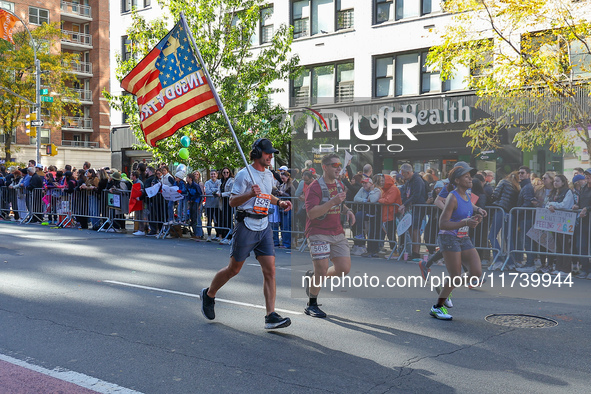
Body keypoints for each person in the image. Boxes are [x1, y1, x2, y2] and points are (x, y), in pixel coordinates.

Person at [201, 138, 293, 330]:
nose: (270, 156)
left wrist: (280, 203)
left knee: (270, 271)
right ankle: (209, 294)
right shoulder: (244, 175)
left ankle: (270, 316)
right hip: (246, 225)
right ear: (258, 153)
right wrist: (250, 194)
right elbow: (233, 202)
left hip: (264, 226)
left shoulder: (268, 175)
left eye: (271, 153)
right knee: (233, 270)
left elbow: (267, 195)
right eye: (267, 153)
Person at [303, 153, 356, 318]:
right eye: (334, 165)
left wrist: (348, 211)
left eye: (339, 165)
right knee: (322, 269)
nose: (338, 168)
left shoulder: (339, 183)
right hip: (318, 232)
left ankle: (312, 278)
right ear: (324, 167)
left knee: (343, 269)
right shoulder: (315, 187)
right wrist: (333, 202)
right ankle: (311, 304)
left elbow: (340, 202)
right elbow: (311, 213)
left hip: (337, 231)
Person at [430, 165, 483, 320]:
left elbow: (466, 213)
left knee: (476, 273)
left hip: (463, 237)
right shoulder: (452, 197)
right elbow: (443, 224)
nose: (470, 178)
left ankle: (446, 288)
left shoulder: (466, 195)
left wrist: (476, 216)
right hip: (449, 237)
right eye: (466, 176)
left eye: (470, 176)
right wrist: (465, 222)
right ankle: (437, 307)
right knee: (455, 275)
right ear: (457, 180)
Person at [487, 171, 520, 270]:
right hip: (510, 212)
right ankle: (510, 262)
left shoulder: (504, 182)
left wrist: (492, 202)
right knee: (508, 238)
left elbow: (495, 194)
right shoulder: (517, 187)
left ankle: (498, 259)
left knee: (492, 235)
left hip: (500, 210)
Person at [399, 163, 427, 259]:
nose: (402, 176)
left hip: (418, 207)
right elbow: (405, 192)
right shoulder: (409, 181)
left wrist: (405, 204)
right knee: (411, 228)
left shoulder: (417, 180)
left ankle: (416, 252)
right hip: (411, 208)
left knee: (415, 229)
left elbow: (416, 195)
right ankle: (413, 250)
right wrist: (404, 203)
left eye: (403, 174)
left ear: (408, 172)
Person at [218, 167, 235, 244]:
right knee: (224, 219)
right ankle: (225, 235)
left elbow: (231, 192)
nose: (225, 174)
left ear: (229, 173)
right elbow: (219, 189)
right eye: (224, 172)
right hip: (222, 201)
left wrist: (222, 194)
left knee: (229, 219)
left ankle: (230, 236)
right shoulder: (221, 181)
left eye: (227, 172)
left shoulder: (231, 181)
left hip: (229, 201)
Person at [204, 169, 221, 241]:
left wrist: (213, 191)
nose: (213, 175)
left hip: (217, 205)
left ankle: (218, 235)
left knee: (217, 220)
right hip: (209, 205)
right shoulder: (207, 182)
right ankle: (209, 236)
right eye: (211, 174)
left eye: (214, 174)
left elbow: (219, 190)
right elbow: (207, 191)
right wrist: (214, 192)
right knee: (209, 220)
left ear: (217, 175)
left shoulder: (219, 182)